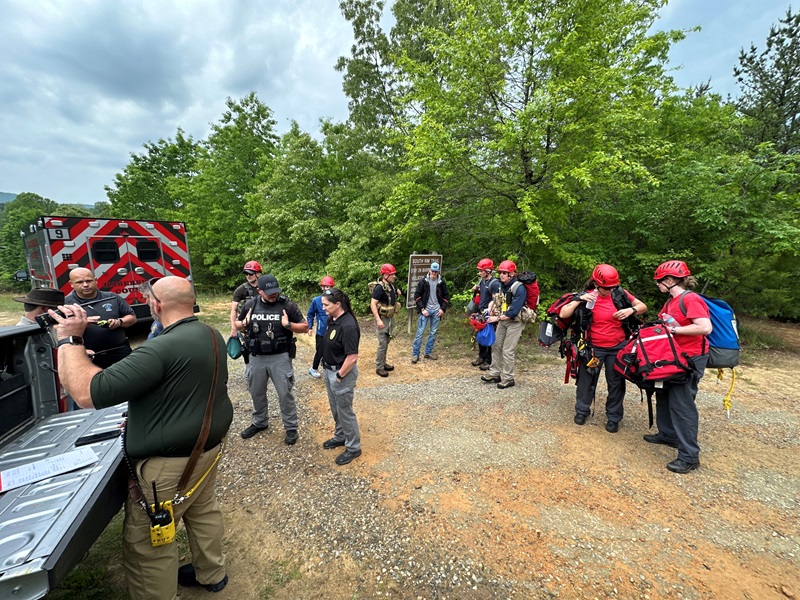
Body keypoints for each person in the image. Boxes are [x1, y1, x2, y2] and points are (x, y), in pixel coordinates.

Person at [49, 276, 233, 599]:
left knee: (148, 540)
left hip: (169, 466)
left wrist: (69, 339)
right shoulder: (210, 333)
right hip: (208, 448)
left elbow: (86, 393)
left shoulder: (158, 348)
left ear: (155, 305)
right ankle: (212, 573)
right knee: (202, 510)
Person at [558, 264, 647, 433]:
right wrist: (578, 300)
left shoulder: (620, 293)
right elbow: (563, 314)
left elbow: (642, 306)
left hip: (618, 347)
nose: (609, 290)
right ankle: (582, 410)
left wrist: (630, 310)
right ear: (596, 284)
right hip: (593, 347)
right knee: (586, 381)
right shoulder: (586, 296)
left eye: (612, 287)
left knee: (616, 383)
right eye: (606, 288)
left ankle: (614, 417)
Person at [646, 260, 712, 473]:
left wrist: (675, 331)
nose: (657, 285)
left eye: (659, 281)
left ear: (670, 280)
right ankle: (668, 435)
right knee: (664, 395)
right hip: (674, 357)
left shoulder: (691, 299)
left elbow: (705, 327)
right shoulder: (670, 302)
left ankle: (689, 457)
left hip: (691, 358)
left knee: (682, 405)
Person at [235, 274, 308, 444]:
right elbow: (238, 324)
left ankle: (291, 428)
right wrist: (244, 323)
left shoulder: (287, 305)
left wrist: (288, 325)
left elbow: (305, 327)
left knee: (285, 394)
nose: (273, 295)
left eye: (276, 291)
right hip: (256, 357)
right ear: (259, 290)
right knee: (256, 392)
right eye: (269, 293)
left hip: (280, 357)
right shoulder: (250, 305)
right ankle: (260, 422)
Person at [320, 287, 362, 465]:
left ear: (338, 304)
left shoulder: (348, 326)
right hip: (329, 370)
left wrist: (339, 375)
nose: (323, 308)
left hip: (341, 373)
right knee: (336, 408)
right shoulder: (333, 319)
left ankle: (353, 447)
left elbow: (352, 357)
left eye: (326, 305)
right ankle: (340, 436)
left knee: (345, 411)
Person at [64, 267, 137, 368]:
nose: (85, 285)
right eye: (79, 282)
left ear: (96, 280)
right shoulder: (66, 304)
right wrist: (81, 324)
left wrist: (119, 322)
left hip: (119, 351)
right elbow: (58, 330)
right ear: (71, 284)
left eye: (89, 281)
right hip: (88, 355)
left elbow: (132, 317)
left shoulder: (112, 297)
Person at [480, 260, 526, 389]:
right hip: (503, 320)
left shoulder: (519, 288)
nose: (501, 275)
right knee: (496, 345)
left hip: (515, 321)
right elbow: (495, 300)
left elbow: (513, 311)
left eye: (504, 273)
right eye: (500, 272)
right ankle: (494, 374)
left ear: (511, 274)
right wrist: (489, 309)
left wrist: (496, 318)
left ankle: (508, 378)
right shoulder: (501, 286)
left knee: (508, 350)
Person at [411, 262, 450, 363]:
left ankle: (428, 353)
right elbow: (417, 296)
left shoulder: (441, 282)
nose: (434, 273)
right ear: (429, 270)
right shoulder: (423, 281)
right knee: (420, 333)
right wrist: (422, 309)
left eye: (436, 271)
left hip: (437, 310)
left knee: (433, 332)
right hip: (425, 310)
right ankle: (415, 354)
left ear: (438, 272)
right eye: (432, 271)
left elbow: (446, 296)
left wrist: (442, 309)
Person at [370, 263, 402, 377]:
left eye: (393, 274)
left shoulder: (391, 285)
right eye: (391, 274)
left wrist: (397, 293)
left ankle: (383, 363)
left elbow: (390, 298)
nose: (394, 276)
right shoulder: (379, 288)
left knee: (387, 340)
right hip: (382, 318)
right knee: (382, 343)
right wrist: (378, 320)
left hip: (390, 317)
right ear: (385, 275)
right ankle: (379, 367)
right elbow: (373, 304)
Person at [471, 258, 501, 370]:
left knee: (489, 336)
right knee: (481, 335)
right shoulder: (482, 281)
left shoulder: (494, 284)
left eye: (481, 270)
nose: (479, 273)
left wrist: (491, 314)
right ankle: (481, 357)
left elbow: (496, 300)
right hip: (481, 311)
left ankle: (488, 360)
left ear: (488, 271)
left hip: (489, 313)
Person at [307, 275, 335, 378]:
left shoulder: (336, 300)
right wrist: (310, 327)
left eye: (329, 287)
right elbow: (310, 314)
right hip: (321, 331)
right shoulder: (316, 300)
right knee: (320, 351)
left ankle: (328, 367)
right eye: (325, 286)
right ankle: (314, 368)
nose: (327, 289)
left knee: (332, 349)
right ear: (322, 287)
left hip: (333, 330)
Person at [229, 260, 262, 339]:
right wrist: (234, 328)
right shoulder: (240, 290)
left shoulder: (264, 288)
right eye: (246, 274)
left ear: (258, 274)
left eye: (250, 273)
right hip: (246, 326)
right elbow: (234, 310)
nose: (248, 276)